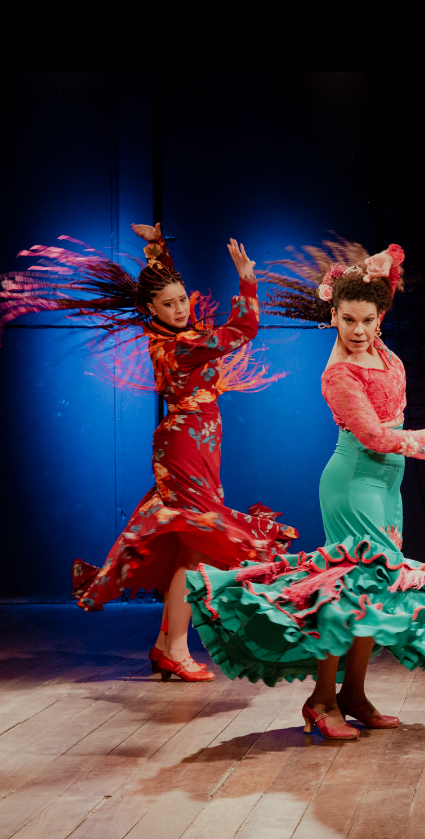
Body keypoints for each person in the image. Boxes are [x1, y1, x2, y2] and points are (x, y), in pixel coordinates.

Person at [187, 239, 425, 739]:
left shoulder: (384, 353)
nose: (359, 330)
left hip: (387, 485)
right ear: (333, 318)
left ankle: (354, 694)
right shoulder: (339, 373)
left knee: (375, 591)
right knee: (345, 592)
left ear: (380, 317)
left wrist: (374, 274)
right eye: (348, 320)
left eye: (367, 320)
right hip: (353, 482)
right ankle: (322, 701)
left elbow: (381, 282)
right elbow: (374, 436)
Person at [1, 224, 296, 683]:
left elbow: (168, 288)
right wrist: (246, 279)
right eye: (169, 304)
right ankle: (175, 648)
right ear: (150, 310)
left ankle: (165, 646)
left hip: (197, 441)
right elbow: (244, 328)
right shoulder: (180, 348)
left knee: (186, 545)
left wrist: (157, 251)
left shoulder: (172, 331)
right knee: (195, 543)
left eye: (183, 300)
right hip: (185, 447)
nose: (180, 308)